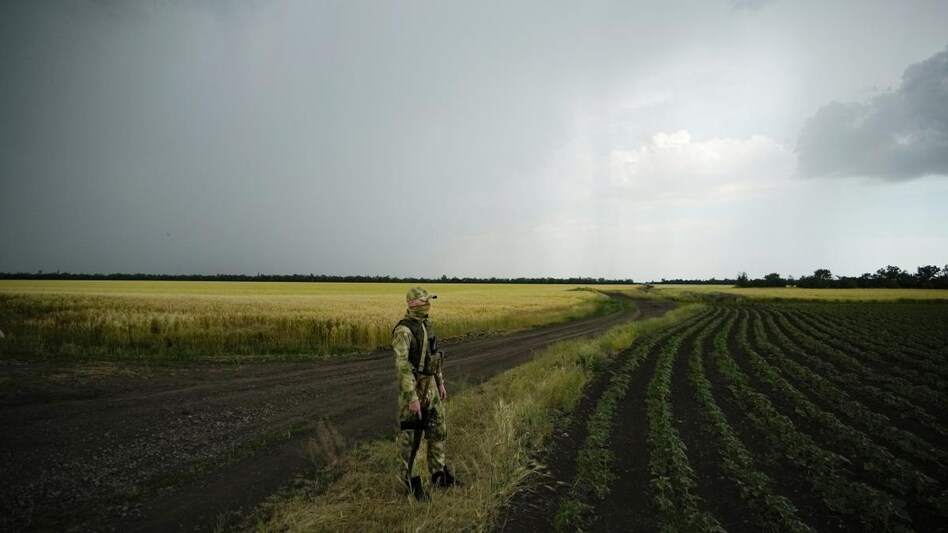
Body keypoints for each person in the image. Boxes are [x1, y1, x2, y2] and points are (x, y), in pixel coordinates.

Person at [392, 286, 459, 500]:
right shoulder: (403, 330)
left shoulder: (427, 325)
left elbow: (434, 357)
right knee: (410, 439)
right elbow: (402, 366)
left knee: (438, 429)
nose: (428, 304)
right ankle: (409, 483)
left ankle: (438, 475)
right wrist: (412, 397)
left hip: (431, 386)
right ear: (412, 304)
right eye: (424, 301)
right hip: (413, 389)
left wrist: (440, 383)